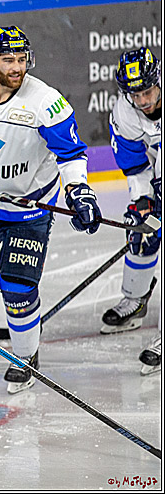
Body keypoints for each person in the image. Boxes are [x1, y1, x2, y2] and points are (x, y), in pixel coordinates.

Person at [0, 27, 102, 393]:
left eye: (22, 60)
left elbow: (70, 154)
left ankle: (25, 356)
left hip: (28, 208)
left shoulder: (45, 102)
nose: (17, 67)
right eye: (8, 59)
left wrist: (80, 192)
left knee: (18, 288)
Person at [103, 49, 160, 349]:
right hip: (156, 170)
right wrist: (143, 200)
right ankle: (135, 299)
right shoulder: (125, 112)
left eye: (148, 92)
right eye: (135, 95)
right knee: (143, 232)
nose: (143, 101)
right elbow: (136, 165)